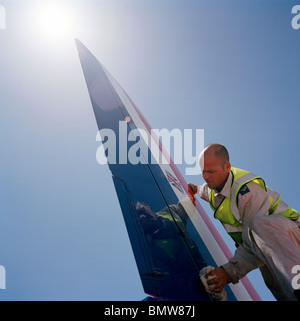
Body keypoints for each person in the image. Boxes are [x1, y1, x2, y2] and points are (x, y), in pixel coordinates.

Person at [188, 143, 300, 301]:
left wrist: (227, 272)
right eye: (203, 171)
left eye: (211, 171)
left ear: (227, 167)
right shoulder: (212, 187)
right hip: (266, 247)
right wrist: (193, 188)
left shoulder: (246, 191)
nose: (206, 177)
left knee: (259, 227)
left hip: (289, 237)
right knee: (276, 282)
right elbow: (203, 190)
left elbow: (255, 236)